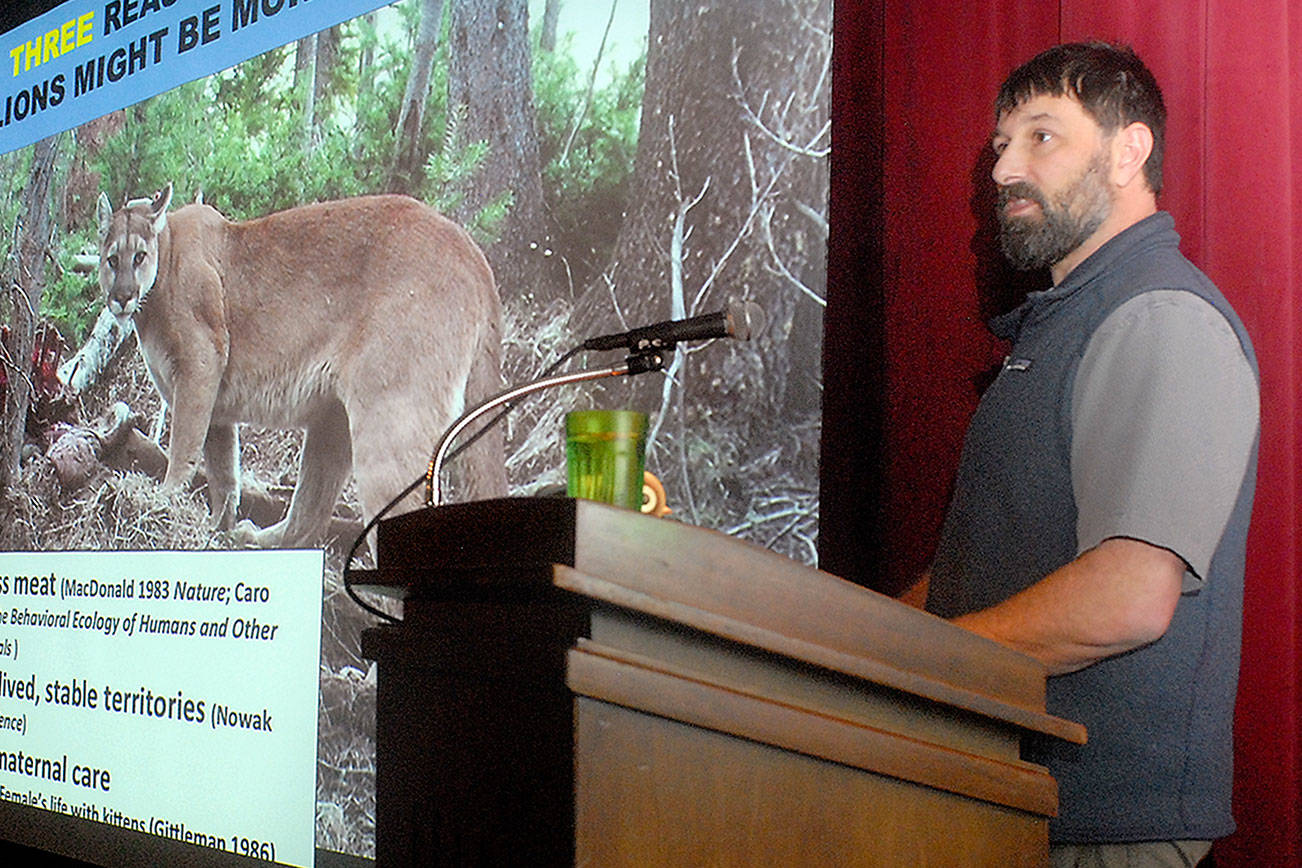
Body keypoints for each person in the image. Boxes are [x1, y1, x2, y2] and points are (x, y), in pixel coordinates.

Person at [915, 42, 1260, 868]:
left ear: (1128, 152)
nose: (1003, 169)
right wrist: (865, 635)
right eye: (1002, 144)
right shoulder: (1066, 323)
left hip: (1098, 827)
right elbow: (989, 569)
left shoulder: (1160, 318)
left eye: (1041, 136)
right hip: (1014, 802)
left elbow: (1129, 597)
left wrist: (920, 667)